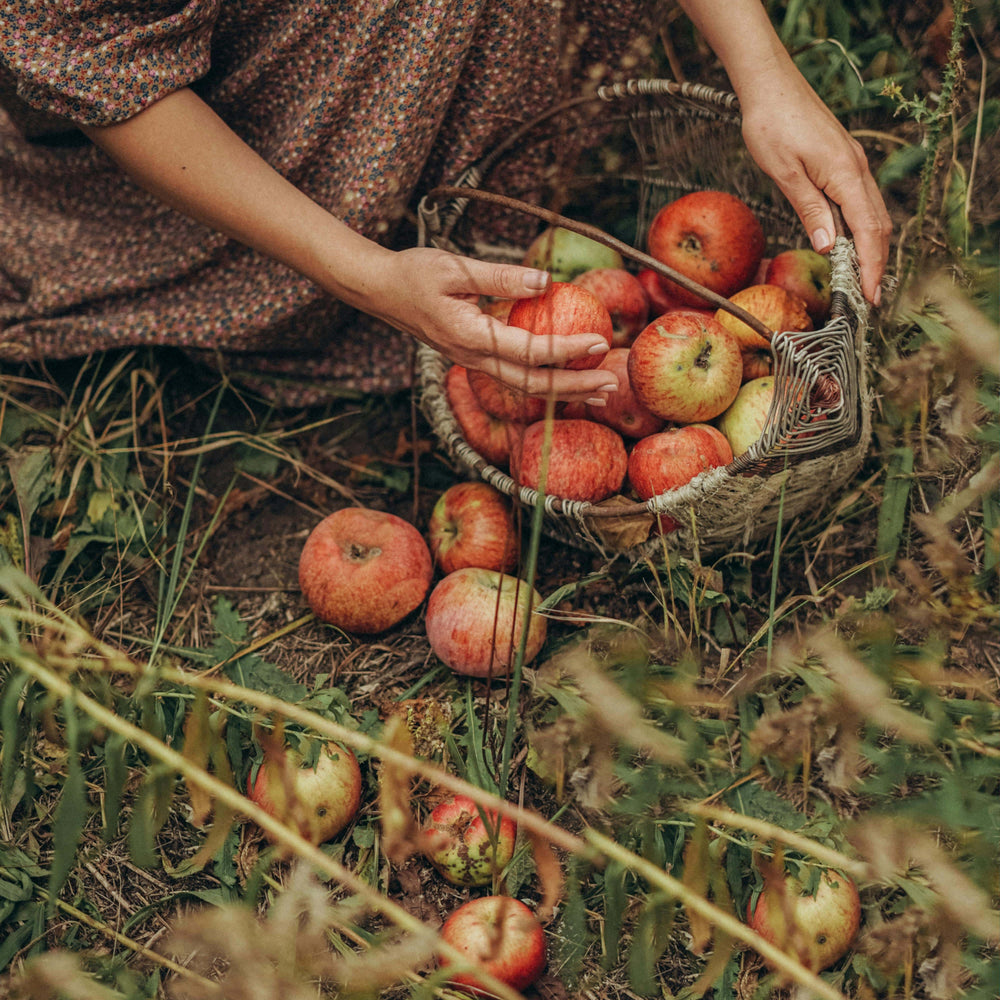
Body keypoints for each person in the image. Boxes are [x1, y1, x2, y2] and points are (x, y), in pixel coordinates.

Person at [0, 1, 891, 408]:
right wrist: (364, 274)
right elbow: (107, 66)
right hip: (235, 113)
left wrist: (765, 73)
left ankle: (455, 181)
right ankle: (318, 269)